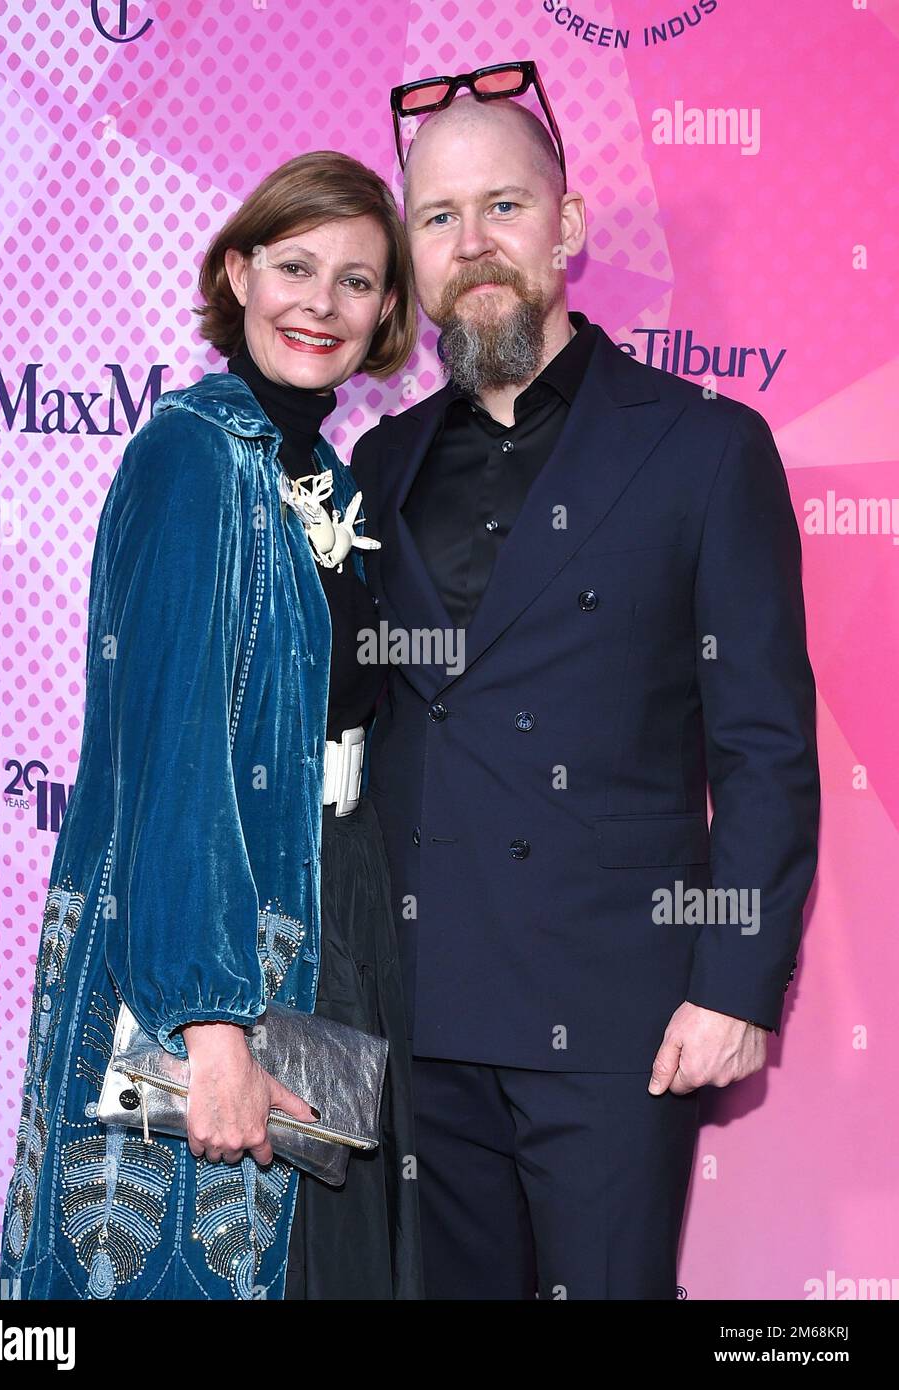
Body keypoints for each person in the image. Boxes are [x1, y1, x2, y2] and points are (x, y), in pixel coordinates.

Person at [350, 67, 820, 1299]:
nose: (474, 244)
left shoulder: (704, 447)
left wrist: (734, 982)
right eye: (440, 217)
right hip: (420, 1019)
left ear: (567, 227)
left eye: (503, 205)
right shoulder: (380, 459)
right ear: (414, 252)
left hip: (617, 1024)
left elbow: (763, 746)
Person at [0, 150, 424, 1300]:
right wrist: (209, 1028)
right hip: (211, 949)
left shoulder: (320, 473)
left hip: (326, 904)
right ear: (236, 273)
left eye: (356, 280)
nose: (320, 305)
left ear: (389, 310)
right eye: (294, 266)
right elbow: (173, 754)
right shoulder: (192, 455)